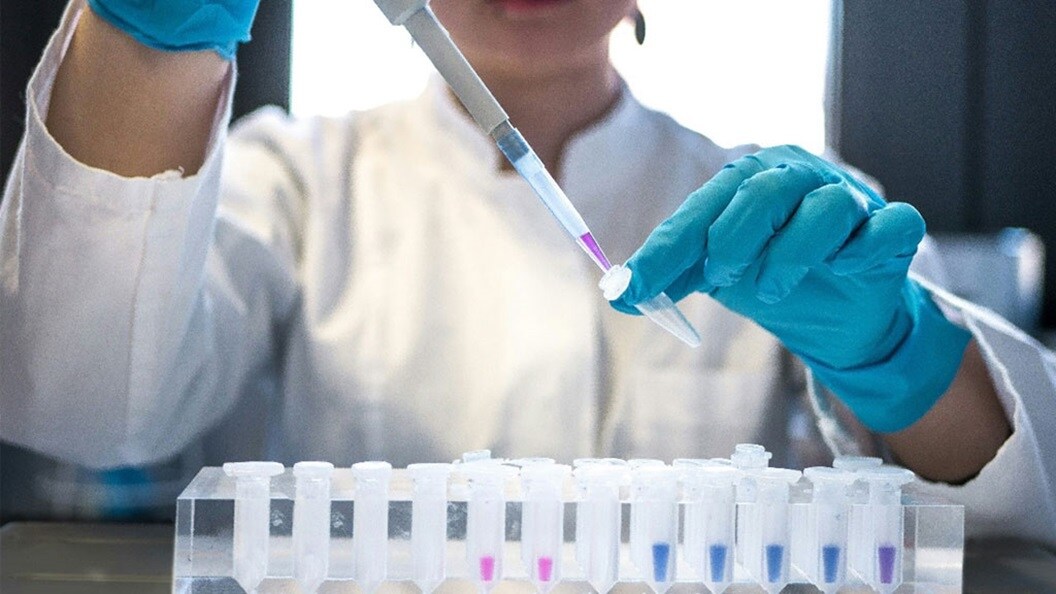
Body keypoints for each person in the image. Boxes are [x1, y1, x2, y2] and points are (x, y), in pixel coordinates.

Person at [0, 0, 1052, 545]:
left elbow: (1009, 510)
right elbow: (83, 406)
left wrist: (897, 354)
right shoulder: (297, 180)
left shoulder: (772, 207)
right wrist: (140, 42)